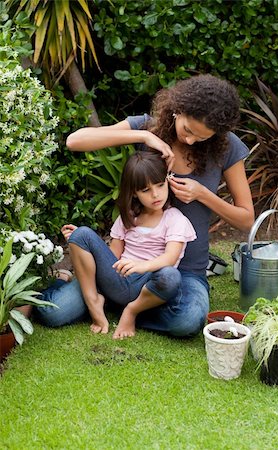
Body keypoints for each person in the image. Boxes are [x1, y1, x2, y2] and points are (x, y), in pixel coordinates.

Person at [37, 73, 254, 337]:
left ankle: (125, 305)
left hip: (182, 273)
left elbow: (246, 220)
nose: (190, 141)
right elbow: (75, 140)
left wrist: (203, 195)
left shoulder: (227, 147)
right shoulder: (146, 127)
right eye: (188, 130)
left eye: (202, 137)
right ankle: (97, 291)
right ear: (178, 110)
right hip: (127, 267)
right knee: (53, 312)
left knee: (188, 320)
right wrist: (144, 136)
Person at [37, 151, 196, 339]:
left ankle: (131, 311)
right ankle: (90, 300)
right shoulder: (128, 217)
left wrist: (141, 266)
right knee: (50, 313)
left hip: (147, 285)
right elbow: (113, 255)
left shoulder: (175, 219)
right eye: (145, 190)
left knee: (170, 276)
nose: (155, 194)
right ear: (134, 193)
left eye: (161, 185)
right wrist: (79, 241)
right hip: (117, 281)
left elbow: (170, 258)